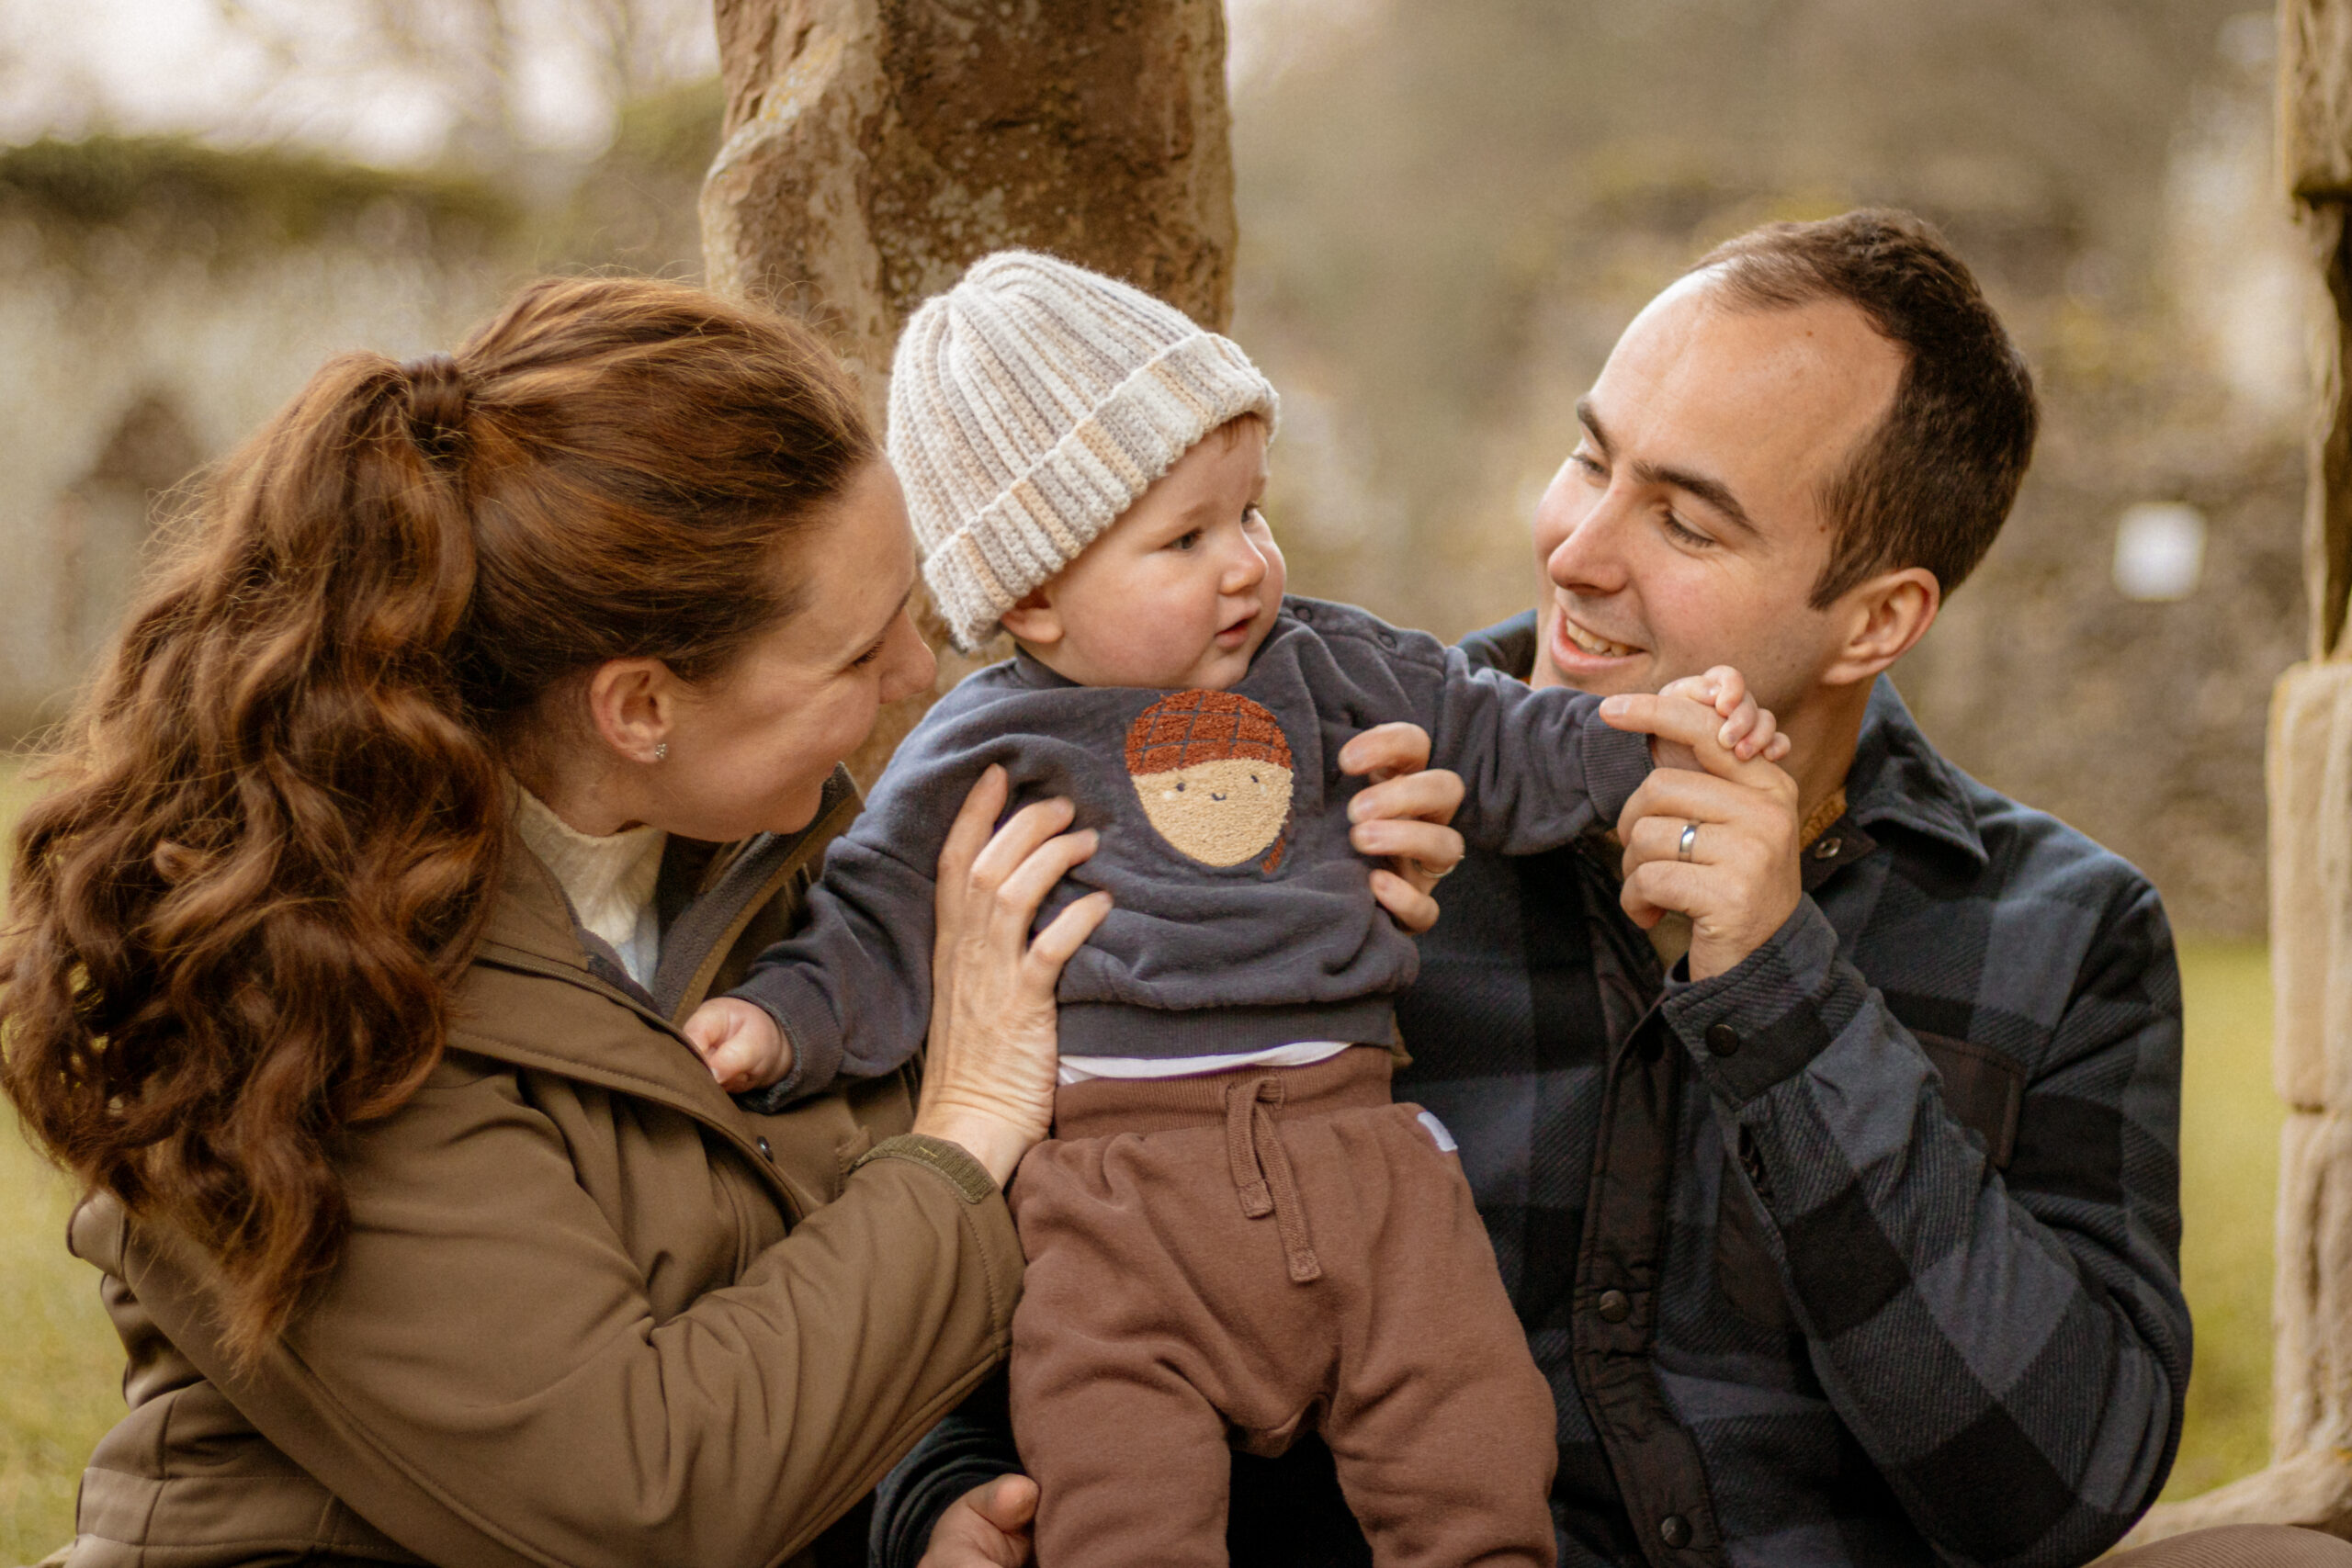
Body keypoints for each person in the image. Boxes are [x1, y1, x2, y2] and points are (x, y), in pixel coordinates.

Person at [882, 212, 2352, 1567]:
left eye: (1687, 523)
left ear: (1878, 618)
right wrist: (940, 1497)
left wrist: (1786, 993)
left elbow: (2057, 1488)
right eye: (1592, 459)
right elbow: (1034, 1254)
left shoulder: (2064, 932)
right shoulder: (1291, 792)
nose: (1577, 551)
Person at [0, 275, 1464, 1568]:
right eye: (856, 646)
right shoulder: (299, 998)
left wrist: (1289, 869)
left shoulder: (771, 859)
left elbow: (853, 1319)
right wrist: (962, 1132)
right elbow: (653, 1492)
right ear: (640, 707)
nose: (917, 671)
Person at [678, 251, 1788, 1568]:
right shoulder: (985, 746)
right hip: (1110, 1196)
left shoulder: (1329, 663)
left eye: (1250, 513)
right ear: (1034, 595)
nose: (1246, 566)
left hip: (1358, 1149)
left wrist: (1656, 739)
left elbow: (1505, 741)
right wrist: (776, 1021)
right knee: (1109, 1455)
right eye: (1186, 539)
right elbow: (875, 921)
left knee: (1468, 1417)